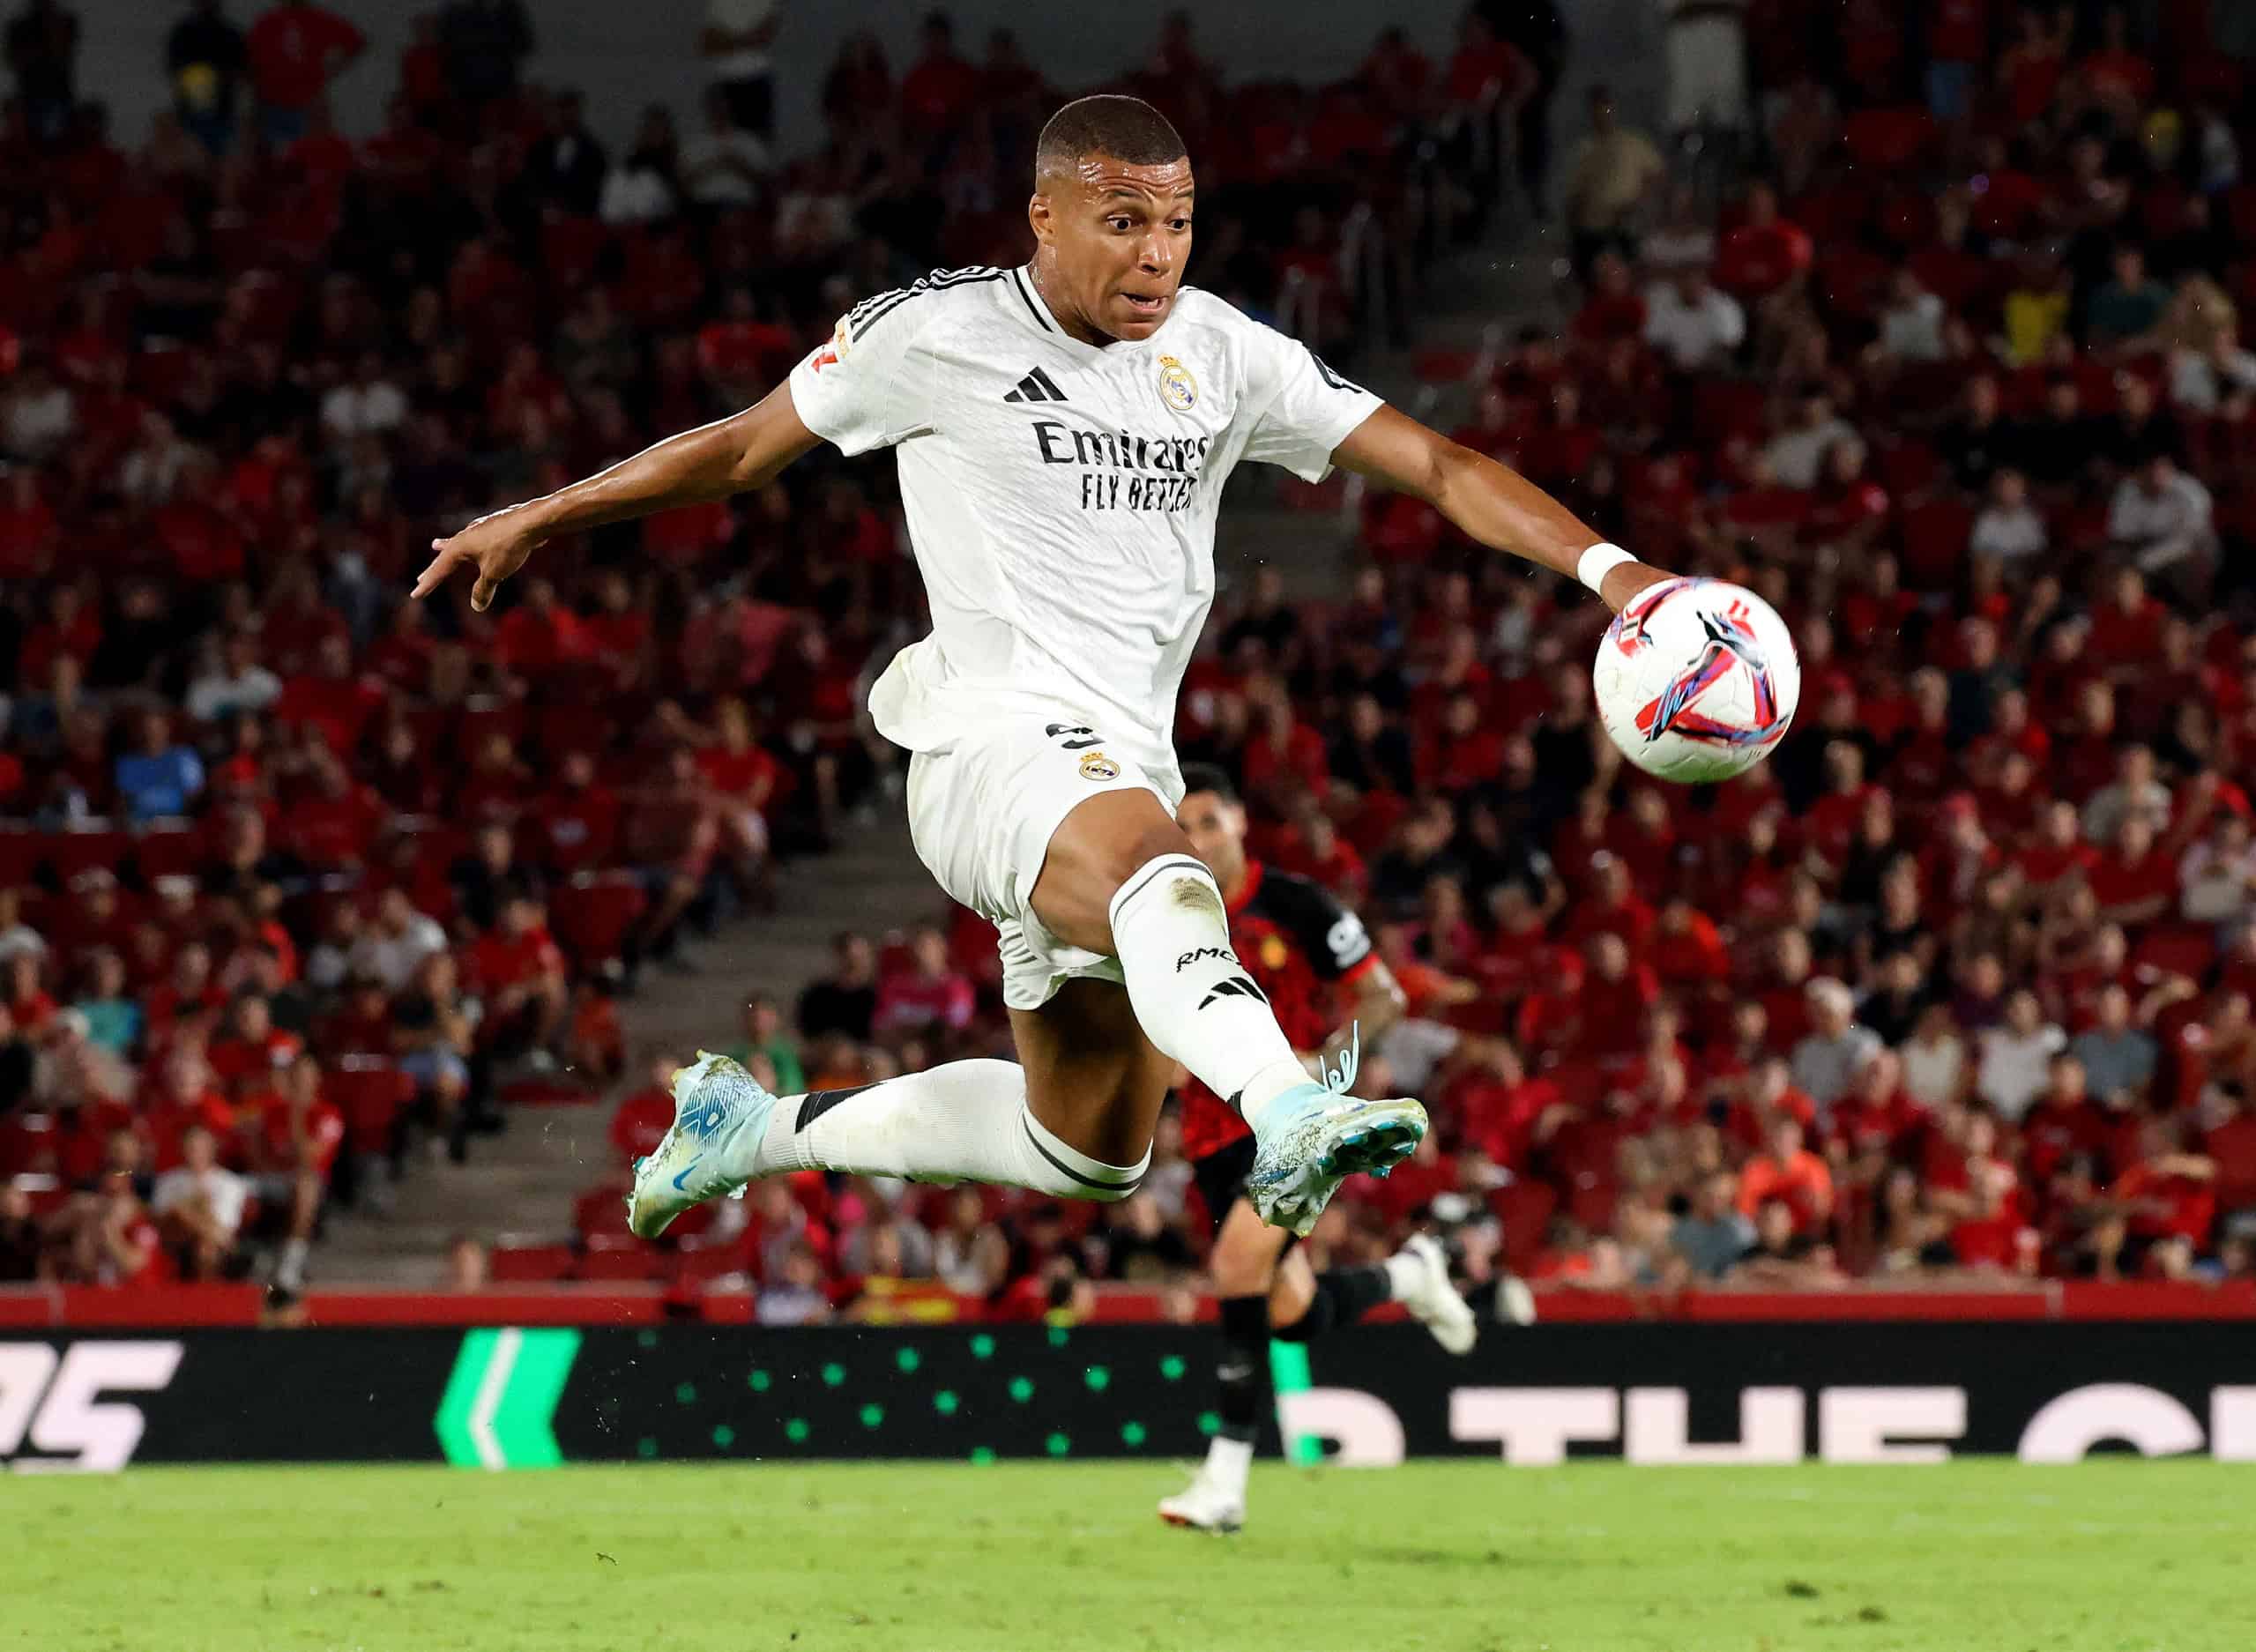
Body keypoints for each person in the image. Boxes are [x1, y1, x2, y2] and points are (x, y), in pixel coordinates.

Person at [413, 95, 1674, 1249]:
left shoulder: (1224, 355)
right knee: (1163, 865)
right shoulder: (937, 331)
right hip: (985, 743)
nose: (1154, 254)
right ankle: (1288, 1104)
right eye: (1121, 221)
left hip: (1114, 764)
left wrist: (1620, 578)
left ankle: (750, 1131)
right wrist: (545, 511)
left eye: (1176, 223)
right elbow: (743, 448)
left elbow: (1442, 465)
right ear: (1045, 216)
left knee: (1085, 1151)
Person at [1155, 765, 1483, 1532]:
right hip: (1210, 1135)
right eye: (1183, 826)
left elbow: (1384, 996)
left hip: (1288, 1123)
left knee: (1235, 1265)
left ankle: (1224, 1481)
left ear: (1239, 821)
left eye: (1208, 821)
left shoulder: (1295, 905)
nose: (1196, 839)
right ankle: (1411, 1273)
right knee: (1291, 1312)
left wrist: (1325, 1061)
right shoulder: (1167, 916)